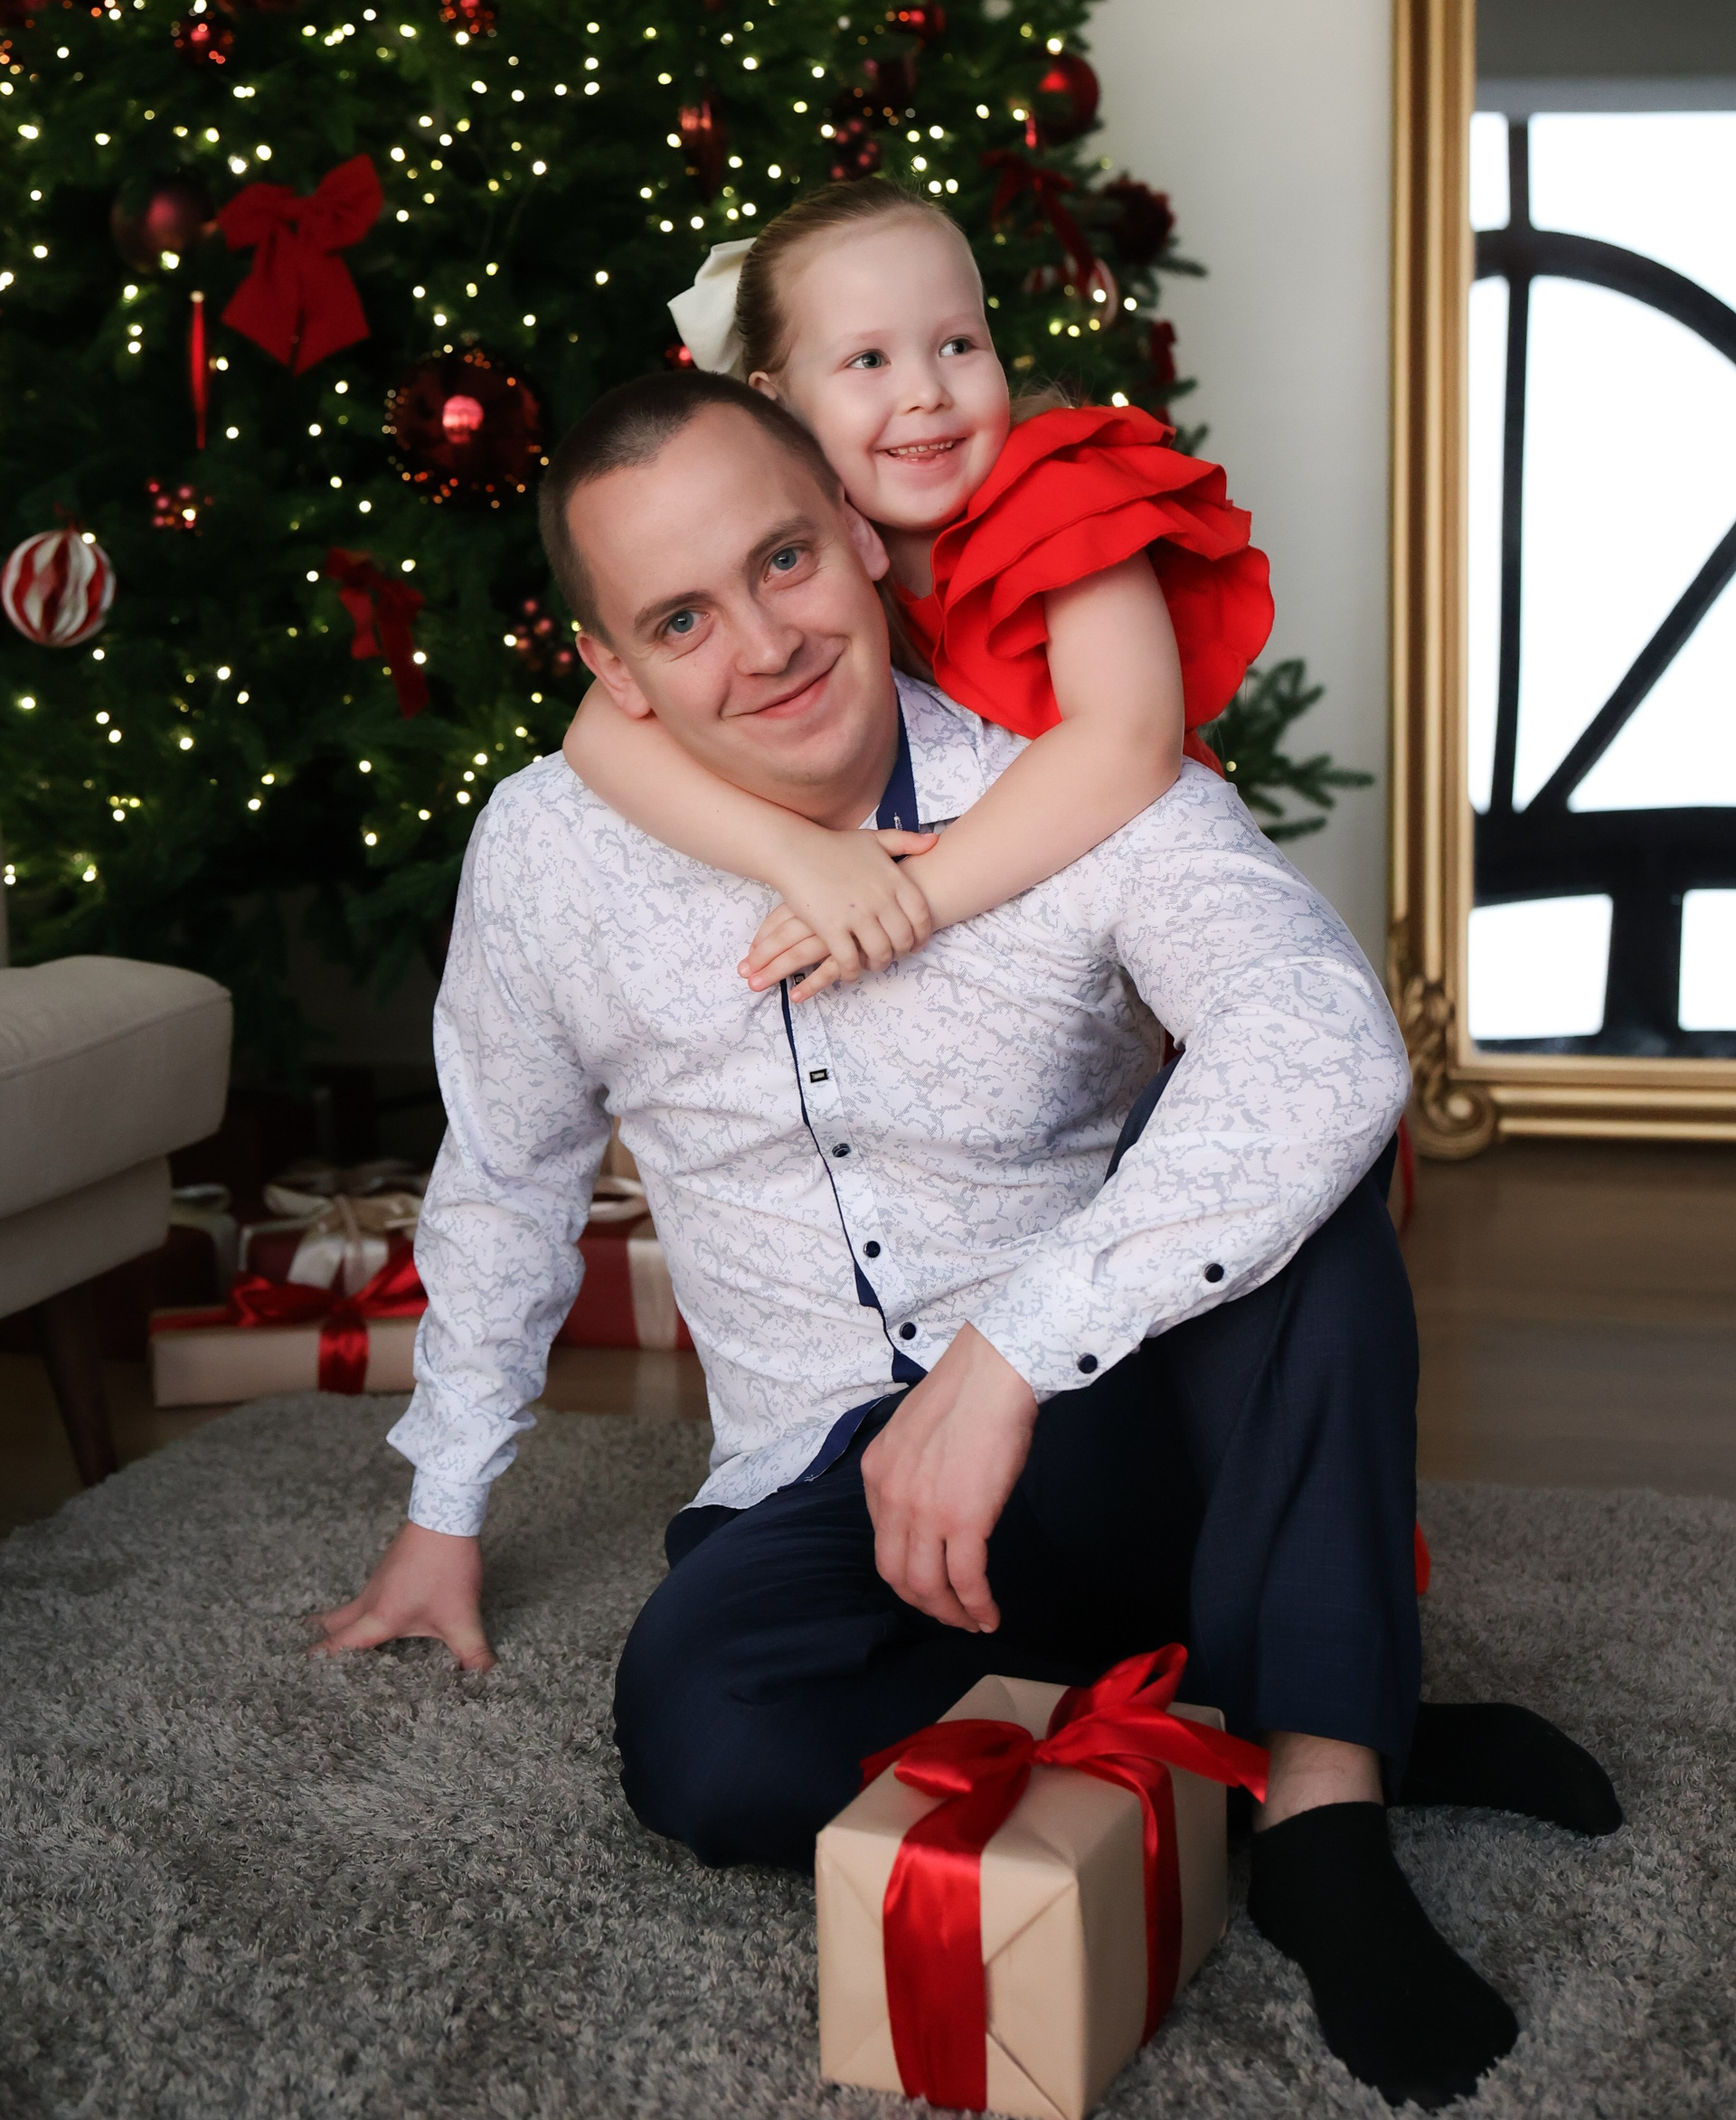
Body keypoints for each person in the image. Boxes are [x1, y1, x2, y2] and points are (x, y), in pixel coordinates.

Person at [316, 372, 1618, 2113]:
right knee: (708, 1748)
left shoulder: (1071, 776)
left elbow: (1324, 1039)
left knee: (1292, 1159)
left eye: (786, 560)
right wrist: (443, 1510)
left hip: (1114, 1430)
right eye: (682, 620)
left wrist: (1007, 1356)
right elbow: (508, 1178)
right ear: (612, 671)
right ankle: (1294, 1696)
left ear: (863, 541)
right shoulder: (551, 855)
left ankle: (1325, 1810)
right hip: (818, 1479)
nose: (764, 646)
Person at [562, 178, 1272, 1003]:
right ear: (775, 405)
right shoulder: (804, 554)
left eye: (958, 345)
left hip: (1163, 906)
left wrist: (904, 901)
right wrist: (799, 857)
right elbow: (598, 733)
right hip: (1028, 926)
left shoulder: (1059, 494)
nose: (927, 391)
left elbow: (1128, 742)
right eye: (869, 360)